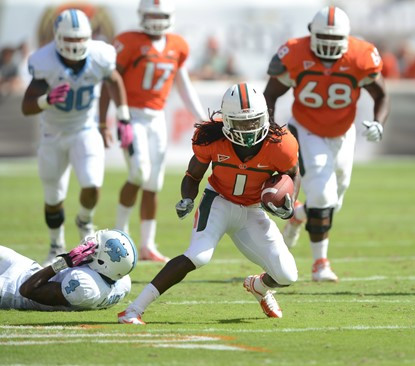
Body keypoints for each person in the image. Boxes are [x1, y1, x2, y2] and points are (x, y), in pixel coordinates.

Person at [117, 83, 299, 324]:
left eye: (253, 122)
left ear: (265, 117)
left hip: (253, 211)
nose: (247, 129)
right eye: (240, 123)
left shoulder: (281, 144)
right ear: (226, 121)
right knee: (198, 256)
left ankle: (258, 286)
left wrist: (289, 202)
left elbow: (293, 174)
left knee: (287, 275)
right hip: (219, 202)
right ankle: (134, 309)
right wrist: (187, 198)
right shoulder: (210, 137)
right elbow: (193, 175)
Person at [263, 6, 390, 282]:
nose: (330, 45)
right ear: (312, 33)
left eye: (336, 40)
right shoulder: (296, 53)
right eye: (325, 38)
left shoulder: (360, 55)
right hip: (307, 129)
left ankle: (299, 214)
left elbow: (381, 94)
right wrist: (271, 127)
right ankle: (320, 264)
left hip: (344, 133)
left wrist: (379, 122)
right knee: (322, 195)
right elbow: (270, 94)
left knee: (334, 201)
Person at [99, 0, 207, 263]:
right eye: (151, 14)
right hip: (131, 116)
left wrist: (203, 118)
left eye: (160, 15)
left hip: (157, 118)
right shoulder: (127, 41)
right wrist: (104, 120)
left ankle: (147, 244)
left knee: (153, 182)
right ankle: (119, 233)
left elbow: (183, 84)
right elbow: (109, 83)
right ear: (142, 15)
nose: (156, 20)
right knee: (138, 172)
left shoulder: (177, 45)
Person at [21, 9, 129, 266]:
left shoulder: (100, 55)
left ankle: (84, 219)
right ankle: (56, 243)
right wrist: (46, 99)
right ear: (58, 38)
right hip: (52, 133)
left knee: (92, 184)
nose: (75, 45)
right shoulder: (44, 60)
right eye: (69, 39)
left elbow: (114, 79)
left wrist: (122, 116)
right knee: (53, 196)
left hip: (84, 128)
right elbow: (26, 106)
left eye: (80, 39)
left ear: (88, 37)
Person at [0, 229, 136, 311]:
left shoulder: (84, 286)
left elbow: (27, 290)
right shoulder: (121, 280)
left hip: (11, 289)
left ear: (102, 262)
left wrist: (65, 262)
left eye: (96, 247)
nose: (90, 246)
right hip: (28, 268)